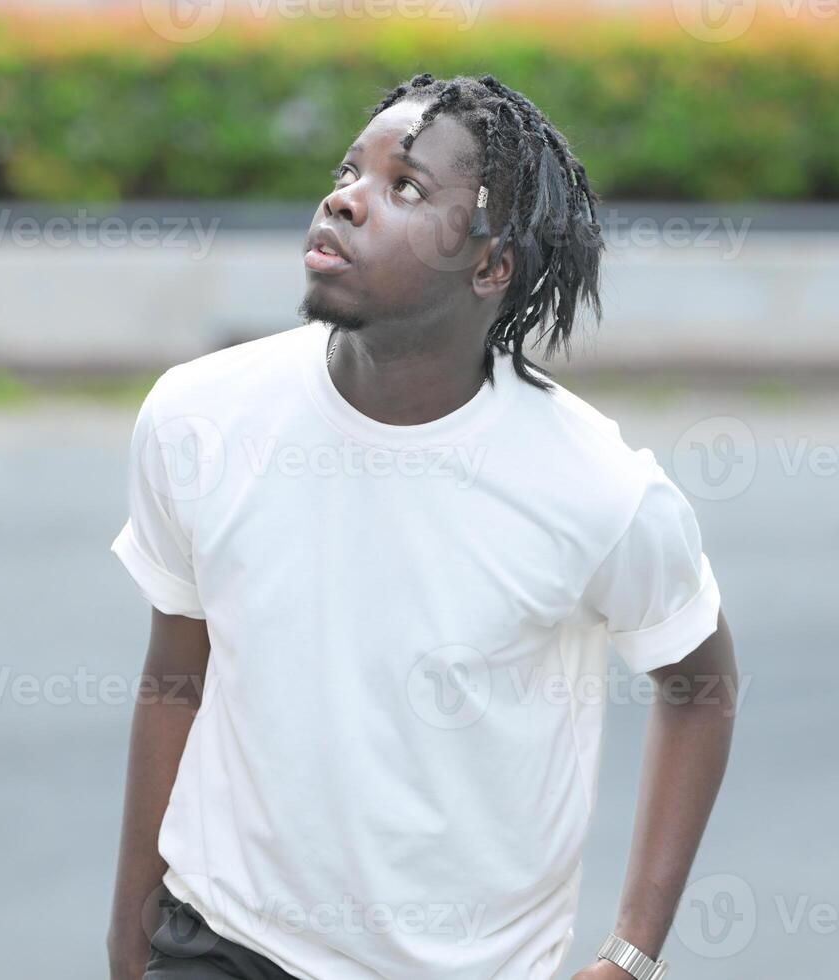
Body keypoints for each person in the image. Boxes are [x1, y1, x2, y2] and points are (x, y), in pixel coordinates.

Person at [106, 72, 738, 980]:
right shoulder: (200, 415)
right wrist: (131, 933)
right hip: (222, 943)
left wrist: (632, 954)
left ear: (490, 266)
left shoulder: (596, 488)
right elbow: (176, 678)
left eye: (405, 187)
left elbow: (701, 684)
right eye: (349, 171)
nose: (345, 199)